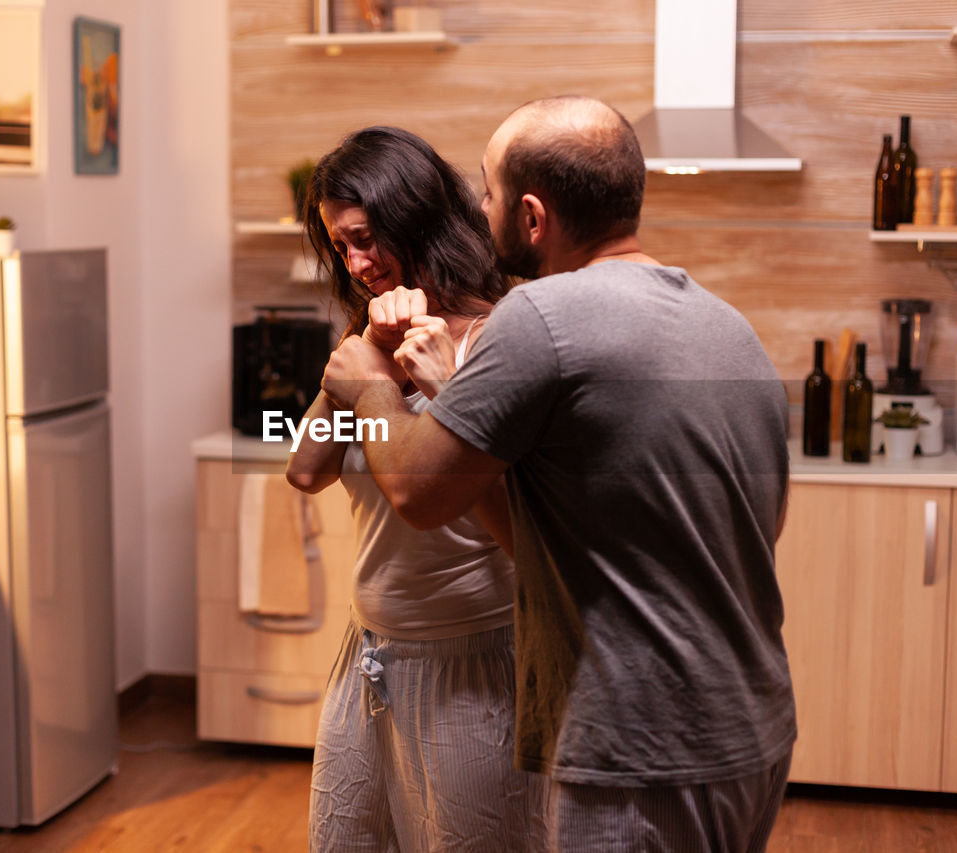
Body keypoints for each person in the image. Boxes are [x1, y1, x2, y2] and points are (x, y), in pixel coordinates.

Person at [321, 96, 796, 852]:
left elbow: (416, 489)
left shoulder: (538, 317)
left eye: (489, 192)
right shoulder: (726, 324)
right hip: (753, 728)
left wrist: (368, 381)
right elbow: (758, 518)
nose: (479, 210)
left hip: (641, 742)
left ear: (533, 216)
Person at [286, 125, 546, 853]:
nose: (358, 262)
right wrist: (369, 361)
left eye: (368, 237)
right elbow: (306, 469)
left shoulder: (497, 336)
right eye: (341, 246)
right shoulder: (370, 340)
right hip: (368, 654)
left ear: (415, 217)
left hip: (476, 663)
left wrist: (399, 387)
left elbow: (524, 525)